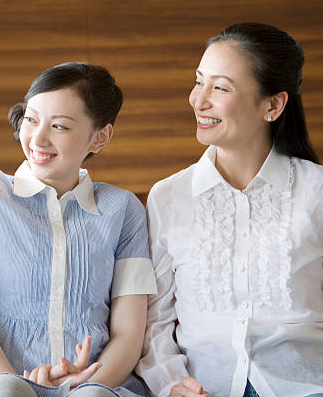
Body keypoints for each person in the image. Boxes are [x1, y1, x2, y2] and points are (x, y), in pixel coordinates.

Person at [0, 62, 157, 397]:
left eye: (59, 126)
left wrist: (81, 383)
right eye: (31, 119)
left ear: (99, 137)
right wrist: (20, 385)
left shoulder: (124, 209)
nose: (38, 138)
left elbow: (129, 335)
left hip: (95, 384)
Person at [136, 23, 323, 397]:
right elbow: (154, 319)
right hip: (206, 389)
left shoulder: (316, 191)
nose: (198, 100)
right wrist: (171, 383)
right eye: (199, 81)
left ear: (273, 105)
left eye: (220, 87)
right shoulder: (168, 196)